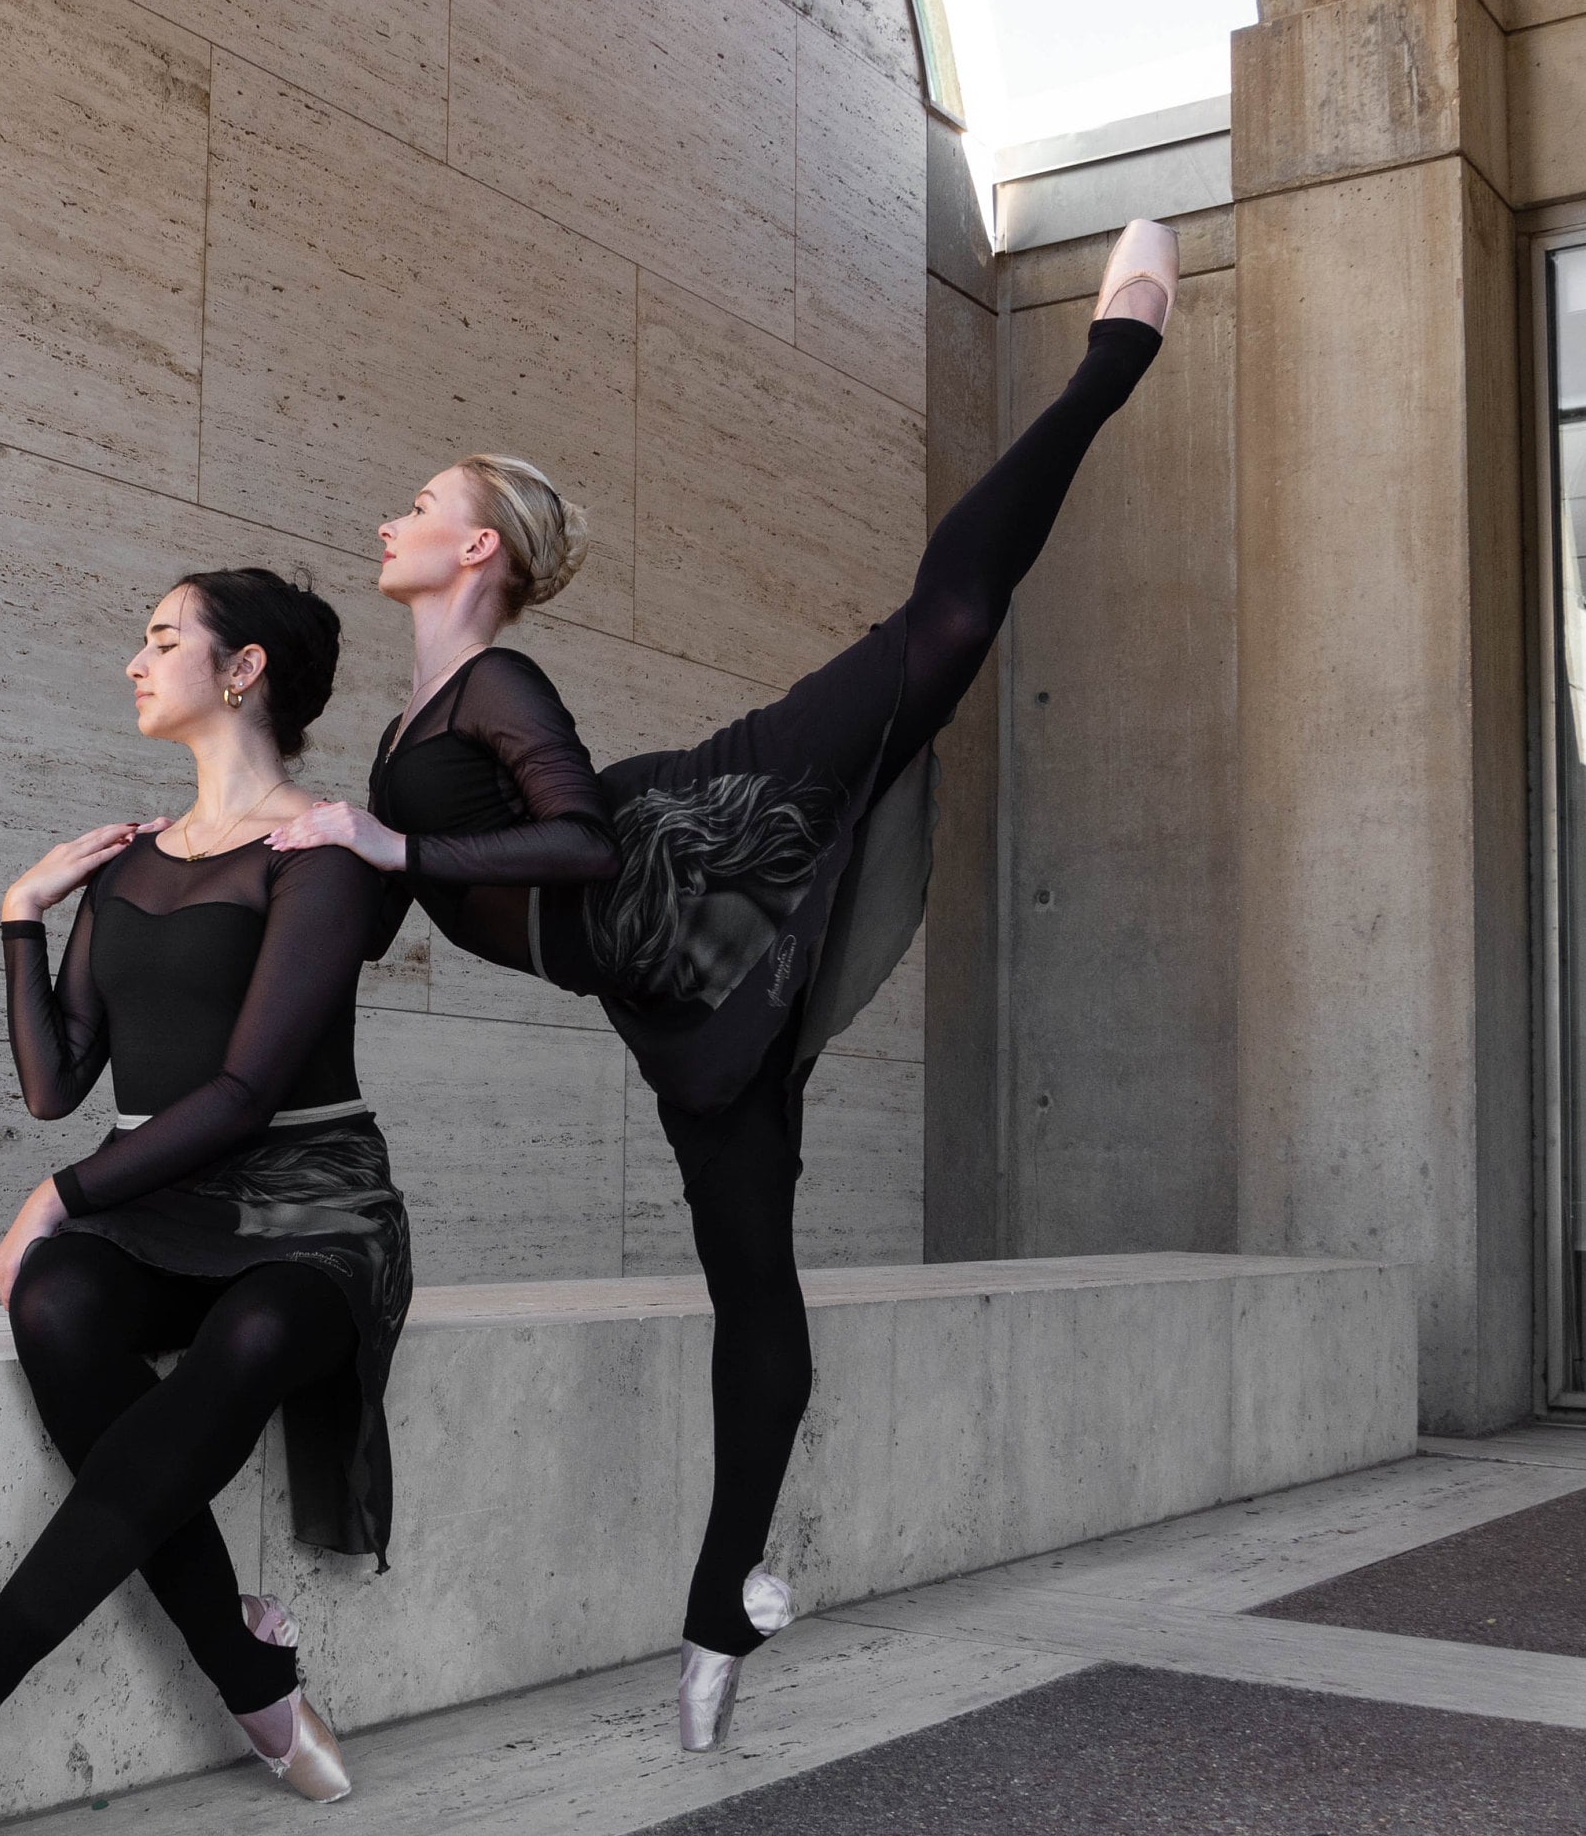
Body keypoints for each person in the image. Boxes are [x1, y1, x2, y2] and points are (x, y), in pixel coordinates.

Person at [266, 219, 1179, 1751]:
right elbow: (404, 910)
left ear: (475, 545)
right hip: (683, 1002)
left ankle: (1115, 355)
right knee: (751, 1271)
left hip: (704, 829)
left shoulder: (492, 685)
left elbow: (566, 832)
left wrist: (381, 840)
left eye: (421, 503)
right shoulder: (415, 718)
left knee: (944, 624)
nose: (394, 516)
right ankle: (719, 1612)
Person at [0, 569, 409, 1836]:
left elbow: (246, 1091)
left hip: (314, 1214)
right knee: (52, 1297)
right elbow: (60, 1084)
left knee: (258, 1332)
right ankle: (245, 1664)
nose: (134, 661)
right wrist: (19, 915)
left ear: (245, 667)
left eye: (162, 639)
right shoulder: (129, 869)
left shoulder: (320, 852)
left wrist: (60, 1193)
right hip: (163, 1211)